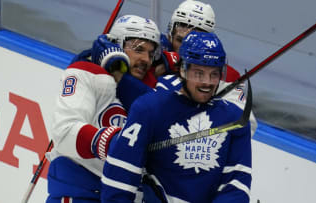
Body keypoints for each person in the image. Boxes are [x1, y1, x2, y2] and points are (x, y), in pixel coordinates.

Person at [101, 31, 252, 203]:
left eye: (214, 74)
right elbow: (119, 178)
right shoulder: (149, 109)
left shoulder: (234, 119)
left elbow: (236, 187)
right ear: (182, 70)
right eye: (199, 73)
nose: (207, 82)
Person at [45, 15, 160, 203]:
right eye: (139, 49)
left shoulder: (155, 90)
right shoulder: (85, 72)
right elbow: (65, 132)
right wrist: (109, 141)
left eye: (151, 53)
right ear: (115, 44)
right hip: (82, 193)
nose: (146, 59)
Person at [115, 0, 258, 136]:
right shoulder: (151, 58)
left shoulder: (223, 75)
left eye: (195, 42)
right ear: (170, 35)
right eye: (180, 40)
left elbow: (246, 125)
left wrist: (203, 113)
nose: (186, 49)